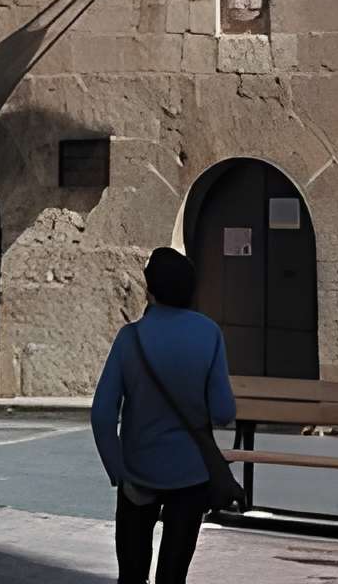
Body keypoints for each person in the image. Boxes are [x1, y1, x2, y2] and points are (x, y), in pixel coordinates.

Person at [91, 247, 236, 584]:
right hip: (190, 474)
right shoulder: (209, 333)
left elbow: (102, 415)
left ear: (150, 289)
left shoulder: (130, 338)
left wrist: (118, 472)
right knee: (173, 575)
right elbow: (224, 412)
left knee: (132, 572)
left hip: (138, 474)